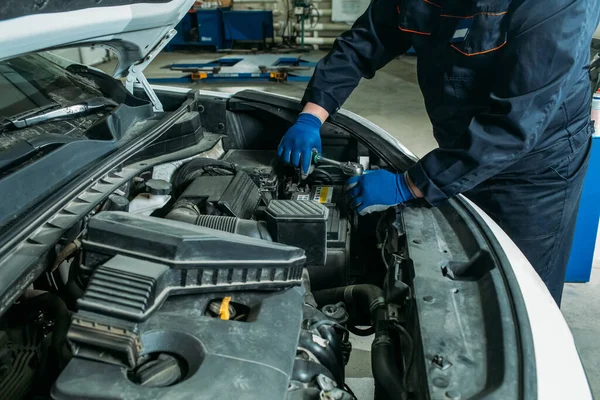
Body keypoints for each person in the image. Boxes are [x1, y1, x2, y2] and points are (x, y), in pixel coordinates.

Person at [277, 0, 600, 305]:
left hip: (533, 172)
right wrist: (311, 115)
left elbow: (516, 122)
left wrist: (409, 184)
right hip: (459, 147)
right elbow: (367, 39)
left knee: (519, 296)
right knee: (463, 275)